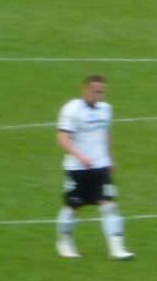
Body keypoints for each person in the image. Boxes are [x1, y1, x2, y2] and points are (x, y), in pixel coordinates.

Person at [56, 74, 134, 261]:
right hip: (77, 169)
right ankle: (64, 243)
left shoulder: (106, 109)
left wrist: (110, 158)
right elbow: (62, 138)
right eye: (95, 91)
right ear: (85, 89)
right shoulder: (71, 109)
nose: (99, 95)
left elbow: (105, 134)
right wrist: (80, 156)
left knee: (109, 206)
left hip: (100, 166)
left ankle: (117, 249)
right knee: (73, 206)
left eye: (102, 92)